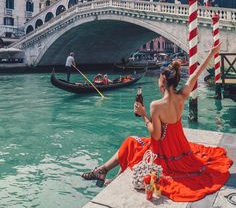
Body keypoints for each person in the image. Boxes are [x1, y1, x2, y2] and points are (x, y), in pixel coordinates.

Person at [81, 43, 233, 202]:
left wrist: (144, 115)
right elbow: (196, 74)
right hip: (180, 149)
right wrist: (211, 53)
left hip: (164, 153)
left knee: (131, 142)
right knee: (133, 144)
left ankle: (102, 170)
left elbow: (156, 135)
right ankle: (105, 173)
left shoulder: (156, 105)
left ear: (163, 81)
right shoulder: (182, 95)